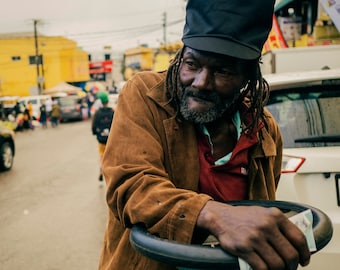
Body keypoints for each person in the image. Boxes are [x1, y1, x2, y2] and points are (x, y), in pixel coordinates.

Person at [98, 1, 311, 269]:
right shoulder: (144, 95)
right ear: (181, 56)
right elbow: (130, 185)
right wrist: (216, 216)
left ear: (247, 76)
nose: (200, 82)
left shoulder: (264, 130)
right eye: (192, 64)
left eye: (222, 70)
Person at [91, 91, 114, 181]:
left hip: (101, 139)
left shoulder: (97, 113)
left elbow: (93, 126)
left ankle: (101, 170)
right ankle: (111, 172)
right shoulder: (112, 112)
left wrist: (95, 133)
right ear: (107, 101)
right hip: (111, 139)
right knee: (111, 156)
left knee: (102, 156)